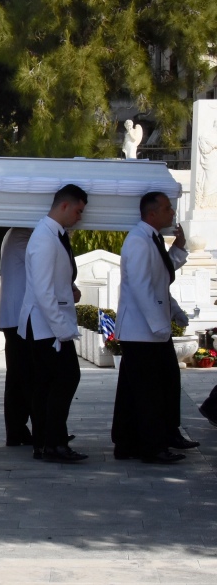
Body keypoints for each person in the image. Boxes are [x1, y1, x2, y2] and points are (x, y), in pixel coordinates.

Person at [112, 192, 195, 463]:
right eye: (168, 208)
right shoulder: (138, 240)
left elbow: (161, 275)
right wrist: (160, 324)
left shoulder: (152, 239)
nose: (172, 213)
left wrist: (180, 247)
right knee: (149, 391)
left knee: (157, 385)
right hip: (142, 331)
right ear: (152, 213)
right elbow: (141, 287)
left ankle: (134, 441)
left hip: (151, 331)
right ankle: (151, 446)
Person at [18, 184, 88, 462]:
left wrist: (68, 288)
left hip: (49, 322)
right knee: (65, 379)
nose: (80, 217)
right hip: (47, 325)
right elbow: (43, 291)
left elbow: (53, 284)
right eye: (79, 211)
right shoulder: (45, 238)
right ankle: (53, 443)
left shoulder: (53, 235)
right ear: (64, 206)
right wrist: (63, 331)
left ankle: (45, 441)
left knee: (48, 384)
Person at [0, 227, 34, 446]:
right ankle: (18, 430)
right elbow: (41, 266)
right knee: (24, 377)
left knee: (19, 377)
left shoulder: (18, 234)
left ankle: (18, 430)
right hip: (21, 317)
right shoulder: (22, 235)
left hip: (18, 317)